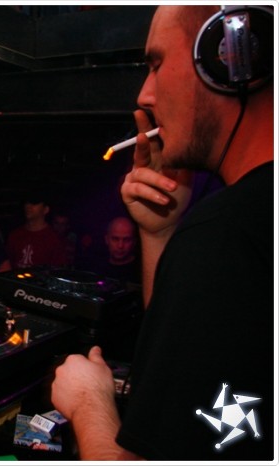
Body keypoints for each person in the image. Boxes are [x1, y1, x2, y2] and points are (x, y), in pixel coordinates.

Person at [51, 5, 273, 460]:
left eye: (156, 63)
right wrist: (161, 232)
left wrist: (88, 402)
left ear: (227, 57)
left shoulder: (225, 236)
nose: (144, 94)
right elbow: (187, 371)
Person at [5, 191, 69, 270]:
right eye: (27, 203)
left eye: (34, 203)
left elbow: (58, 270)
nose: (28, 206)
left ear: (45, 209)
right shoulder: (15, 235)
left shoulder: (54, 239)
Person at [79, 216, 141, 285]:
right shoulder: (96, 268)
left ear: (134, 242)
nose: (120, 245)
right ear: (107, 239)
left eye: (126, 240)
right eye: (115, 239)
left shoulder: (142, 271)